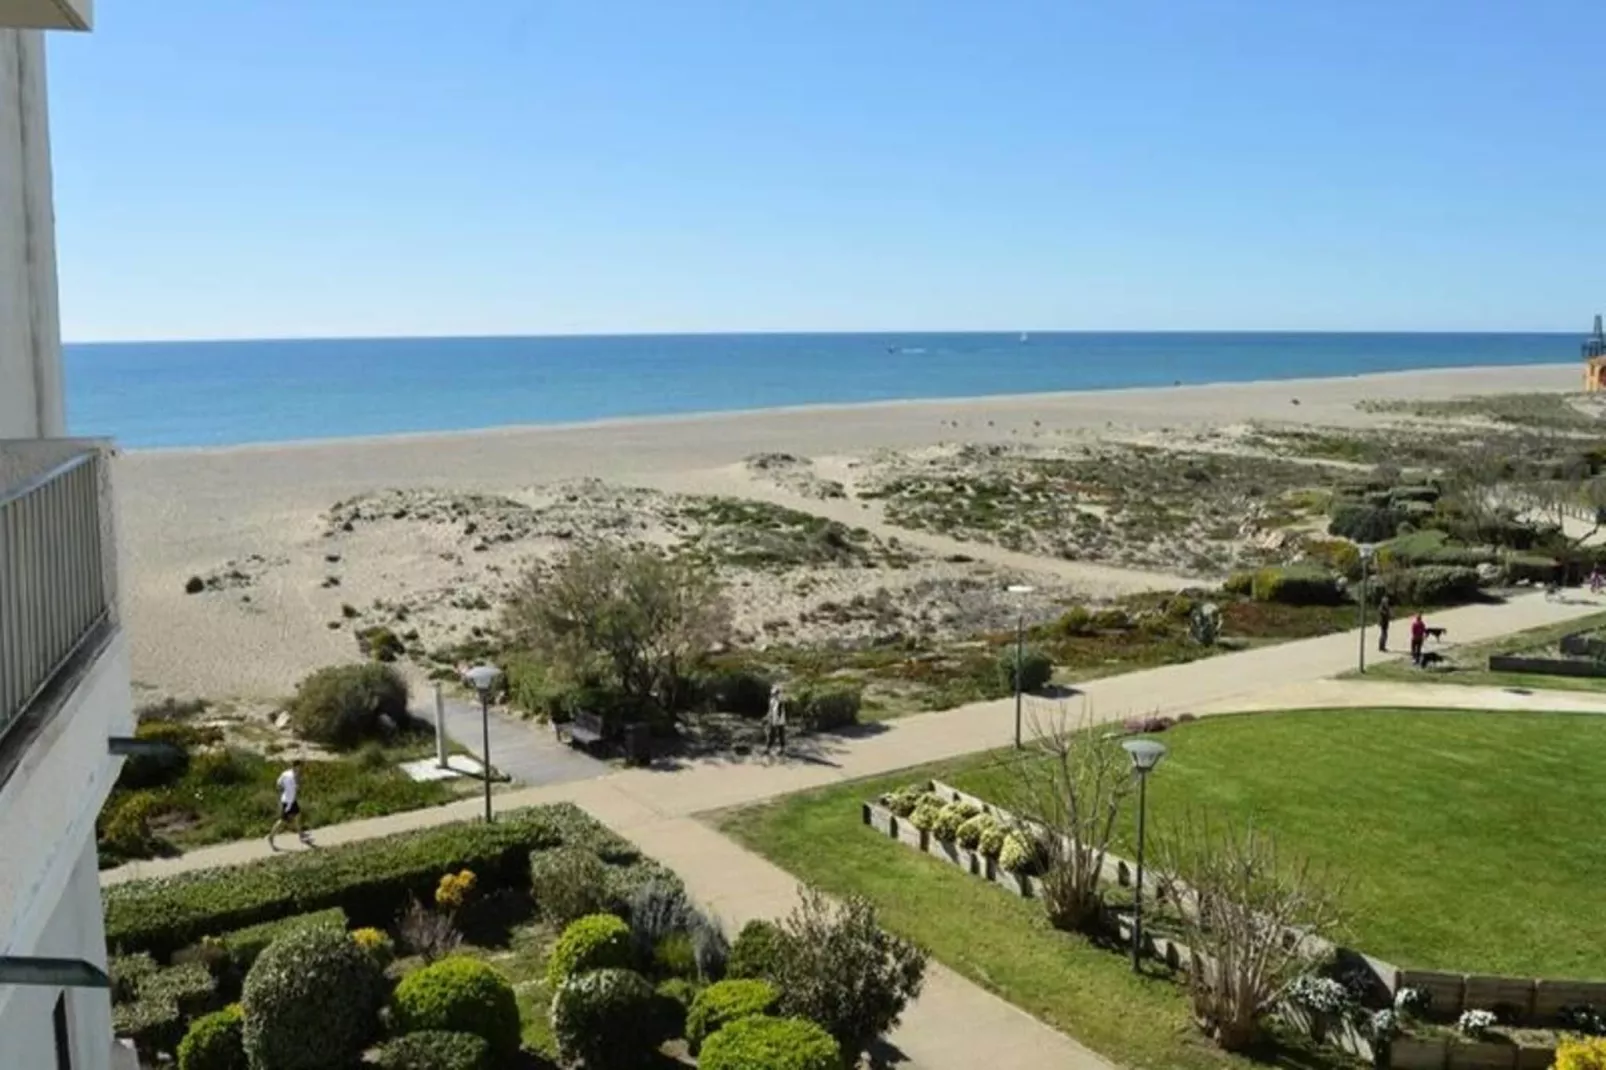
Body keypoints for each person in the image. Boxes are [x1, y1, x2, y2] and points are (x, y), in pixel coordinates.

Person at [268, 759, 310, 850]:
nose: (301, 769)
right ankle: (271, 837)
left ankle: (300, 834)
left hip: (290, 800)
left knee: (298, 815)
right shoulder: (293, 776)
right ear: (295, 767)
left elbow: (278, 783)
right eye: (299, 767)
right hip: (288, 802)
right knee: (282, 821)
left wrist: (284, 790)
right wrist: (295, 786)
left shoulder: (285, 773)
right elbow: (297, 786)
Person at [765, 684, 787, 756]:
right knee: (771, 734)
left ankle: (782, 749)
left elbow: (780, 710)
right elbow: (771, 710)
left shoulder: (781, 700)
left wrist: (777, 719)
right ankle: (768, 749)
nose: (774, 694)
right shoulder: (772, 700)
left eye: (776, 692)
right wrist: (768, 717)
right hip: (774, 719)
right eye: (774, 693)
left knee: (781, 734)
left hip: (780, 720)